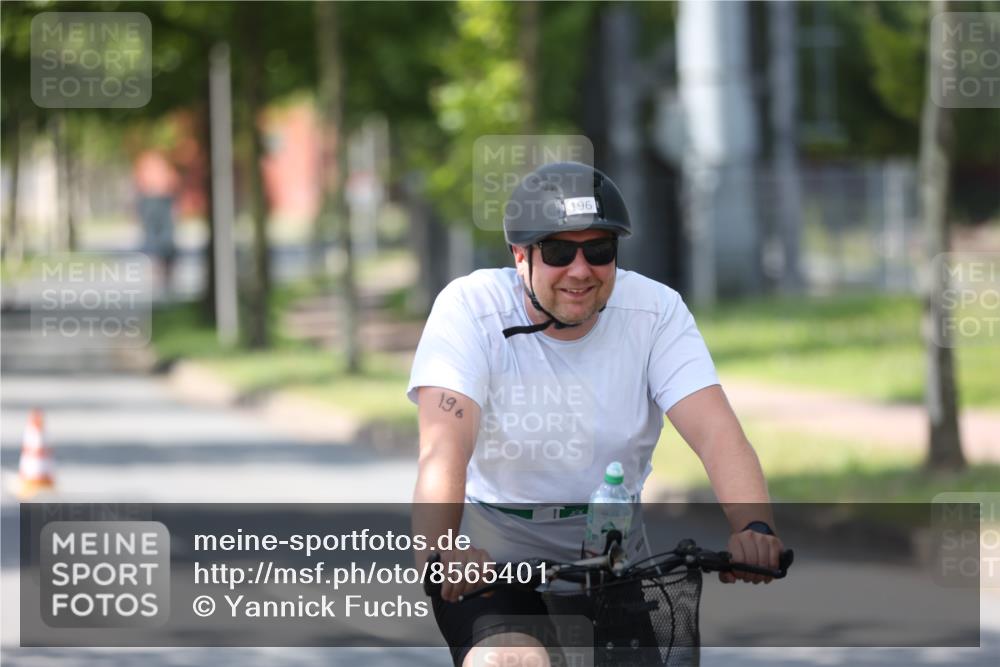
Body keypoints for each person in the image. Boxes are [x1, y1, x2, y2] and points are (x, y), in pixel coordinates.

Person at [408, 162, 784, 667]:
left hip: (612, 555)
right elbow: (441, 449)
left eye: (599, 250)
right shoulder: (470, 310)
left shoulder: (655, 311)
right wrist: (442, 550)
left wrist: (753, 525)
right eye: (560, 251)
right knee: (510, 662)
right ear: (520, 256)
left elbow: (717, 433)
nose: (581, 270)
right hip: (494, 559)